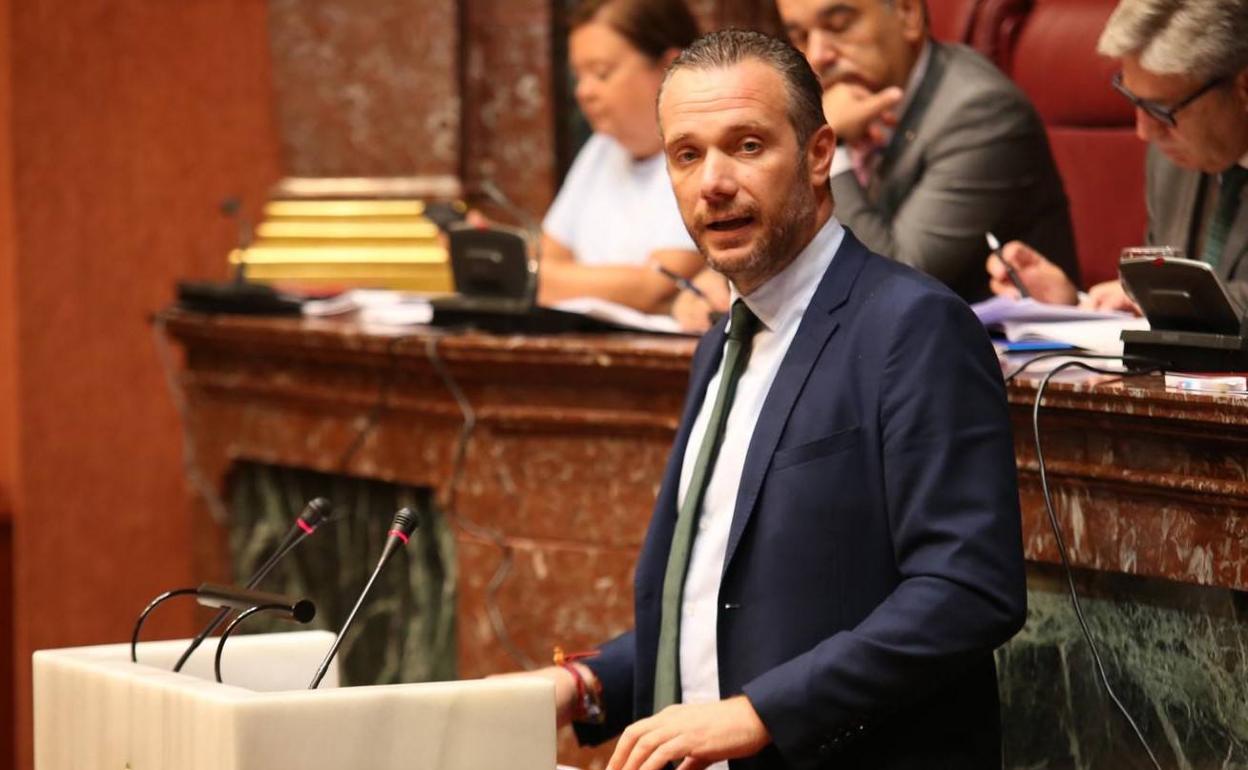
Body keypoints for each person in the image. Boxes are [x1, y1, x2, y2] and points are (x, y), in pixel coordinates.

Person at [523, 30, 1027, 770]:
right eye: (687, 155)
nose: (713, 183)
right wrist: (587, 682)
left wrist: (763, 713)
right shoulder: (721, 342)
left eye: (748, 145)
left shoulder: (910, 327)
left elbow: (966, 591)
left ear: (819, 154)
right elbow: (717, 604)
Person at [672, 0, 1078, 330]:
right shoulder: (847, 105)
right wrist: (736, 283)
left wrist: (831, 147)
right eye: (799, 35)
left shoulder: (979, 111)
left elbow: (892, 274)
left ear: (907, 14)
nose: (817, 55)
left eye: (840, 23)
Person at [986, 0, 1248, 312]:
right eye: (1134, 99)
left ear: (1243, 86)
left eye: (1161, 109)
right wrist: (1073, 305)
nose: (1144, 131)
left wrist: (1157, 300)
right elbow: (1172, 314)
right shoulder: (1172, 161)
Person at [535, 0, 704, 313]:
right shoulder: (601, 148)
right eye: (578, 76)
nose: (583, 92)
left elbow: (655, 285)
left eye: (601, 74)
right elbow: (548, 258)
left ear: (670, 68)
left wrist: (545, 278)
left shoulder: (706, 152)